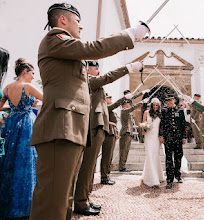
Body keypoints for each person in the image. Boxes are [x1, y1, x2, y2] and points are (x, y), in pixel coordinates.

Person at [29, 3, 150, 220]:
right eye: (78, 21)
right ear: (63, 20)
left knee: (64, 198)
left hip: (72, 128)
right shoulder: (55, 39)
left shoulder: (67, 52)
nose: (81, 27)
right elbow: (91, 48)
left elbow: (93, 80)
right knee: (52, 201)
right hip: (60, 127)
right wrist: (129, 35)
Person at [74, 60, 143, 216]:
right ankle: (80, 201)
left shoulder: (94, 83)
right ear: (88, 69)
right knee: (87, 165)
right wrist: (129, 68)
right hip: (94, 126)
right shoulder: (89, 80)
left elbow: (107, 107)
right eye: (95, 68)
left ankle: (85, 197)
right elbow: (108, 77)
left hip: (100, 126)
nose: (98, 70)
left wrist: (128, 98)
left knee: (91, 166)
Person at [0, 58, 43, 219]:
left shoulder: (7, 87)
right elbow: (47, 100)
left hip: (10, 124)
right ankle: (25, 205)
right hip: (26, 125)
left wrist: (12, 107)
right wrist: (29, 106)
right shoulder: (28, 87)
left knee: (7, 161)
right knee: (26, 162)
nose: (33, 76)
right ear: (25, 72)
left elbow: (0, 106)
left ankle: (6, 203)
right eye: (32, 73)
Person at [159, 95, 187, 189]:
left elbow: (183, 124)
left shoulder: (180, 111)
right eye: (167, 101)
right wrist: (161, 135)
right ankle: (169, 180)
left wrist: (184, 137)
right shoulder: (164, 110)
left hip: (178, 138)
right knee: (169, 159)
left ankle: (177, 175)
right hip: (168, 138)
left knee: (178, 157)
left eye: (170, 100)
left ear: (174, 100)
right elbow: (161, 123)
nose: (169, 102)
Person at [119, 97, 149, 172]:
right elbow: (132, 108)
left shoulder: (127, 112)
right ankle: (121, 167)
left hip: (129, 132)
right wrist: (141, 102)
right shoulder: (124, 110)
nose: (129, 105)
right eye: (128, 104)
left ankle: (123, 166)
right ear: (124, 105)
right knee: (123, 150)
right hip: (125, 132)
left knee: (126, 150)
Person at [100, 94, 124, 185]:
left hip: (112, 132)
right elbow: (115, 105)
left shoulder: (110, 110)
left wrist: (116, 133)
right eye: (108, 97)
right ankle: (104, 177)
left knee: (109, 156)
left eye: (111, 97)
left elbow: (114, 123)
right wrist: (124, 98)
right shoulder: (106, 107)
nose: (110, 98)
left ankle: (106, 175)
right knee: (107, 156)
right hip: (108, 132)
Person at [141, 98, 165, 187]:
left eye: (156, 105)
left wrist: (161, 136)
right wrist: (144, 128)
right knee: (150, 155)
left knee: (155, 155)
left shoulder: (160, 113)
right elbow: (143, 122)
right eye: (154, 105)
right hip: (148, 136)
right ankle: (153, 180)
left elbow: (162, 126)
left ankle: (157, 175)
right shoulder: (146, 113)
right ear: (151, 105)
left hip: (156, 137)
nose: (155, 107)